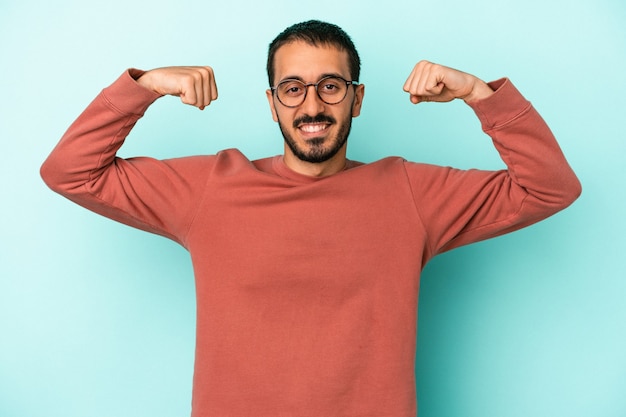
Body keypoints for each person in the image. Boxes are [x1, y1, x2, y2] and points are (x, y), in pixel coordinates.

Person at [41, 19, 580, 417]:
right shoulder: (211, 187)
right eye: (293, 89)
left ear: (357, 99)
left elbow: (550, 187)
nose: (313, 107)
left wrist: (477, 94)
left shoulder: (411, 192)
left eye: (331, 86)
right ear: (273, 103)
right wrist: (143, 86)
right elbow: (70, 172)